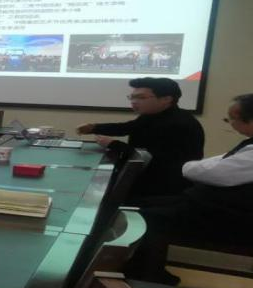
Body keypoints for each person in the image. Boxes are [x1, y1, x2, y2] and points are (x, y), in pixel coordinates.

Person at [127, 92, 253, 284]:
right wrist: (199, 167)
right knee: (137, 204)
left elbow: (211, 172)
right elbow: (219, 163)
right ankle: (148, 268)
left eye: (232, 119)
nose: (230, 123)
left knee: (141, 217)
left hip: (241, 218)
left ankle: (148, 277)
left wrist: (191, 167)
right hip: (219, 205)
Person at [76, 77, 204, 200]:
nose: (134, 101)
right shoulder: (153, 115)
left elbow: (151, 158)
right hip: (145, 177)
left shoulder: (179, 124)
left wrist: (113, 144)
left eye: (141, 97)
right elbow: (128, 127)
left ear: (166, 99)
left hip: (162, 188)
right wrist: (94, 128)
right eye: (132, 97)